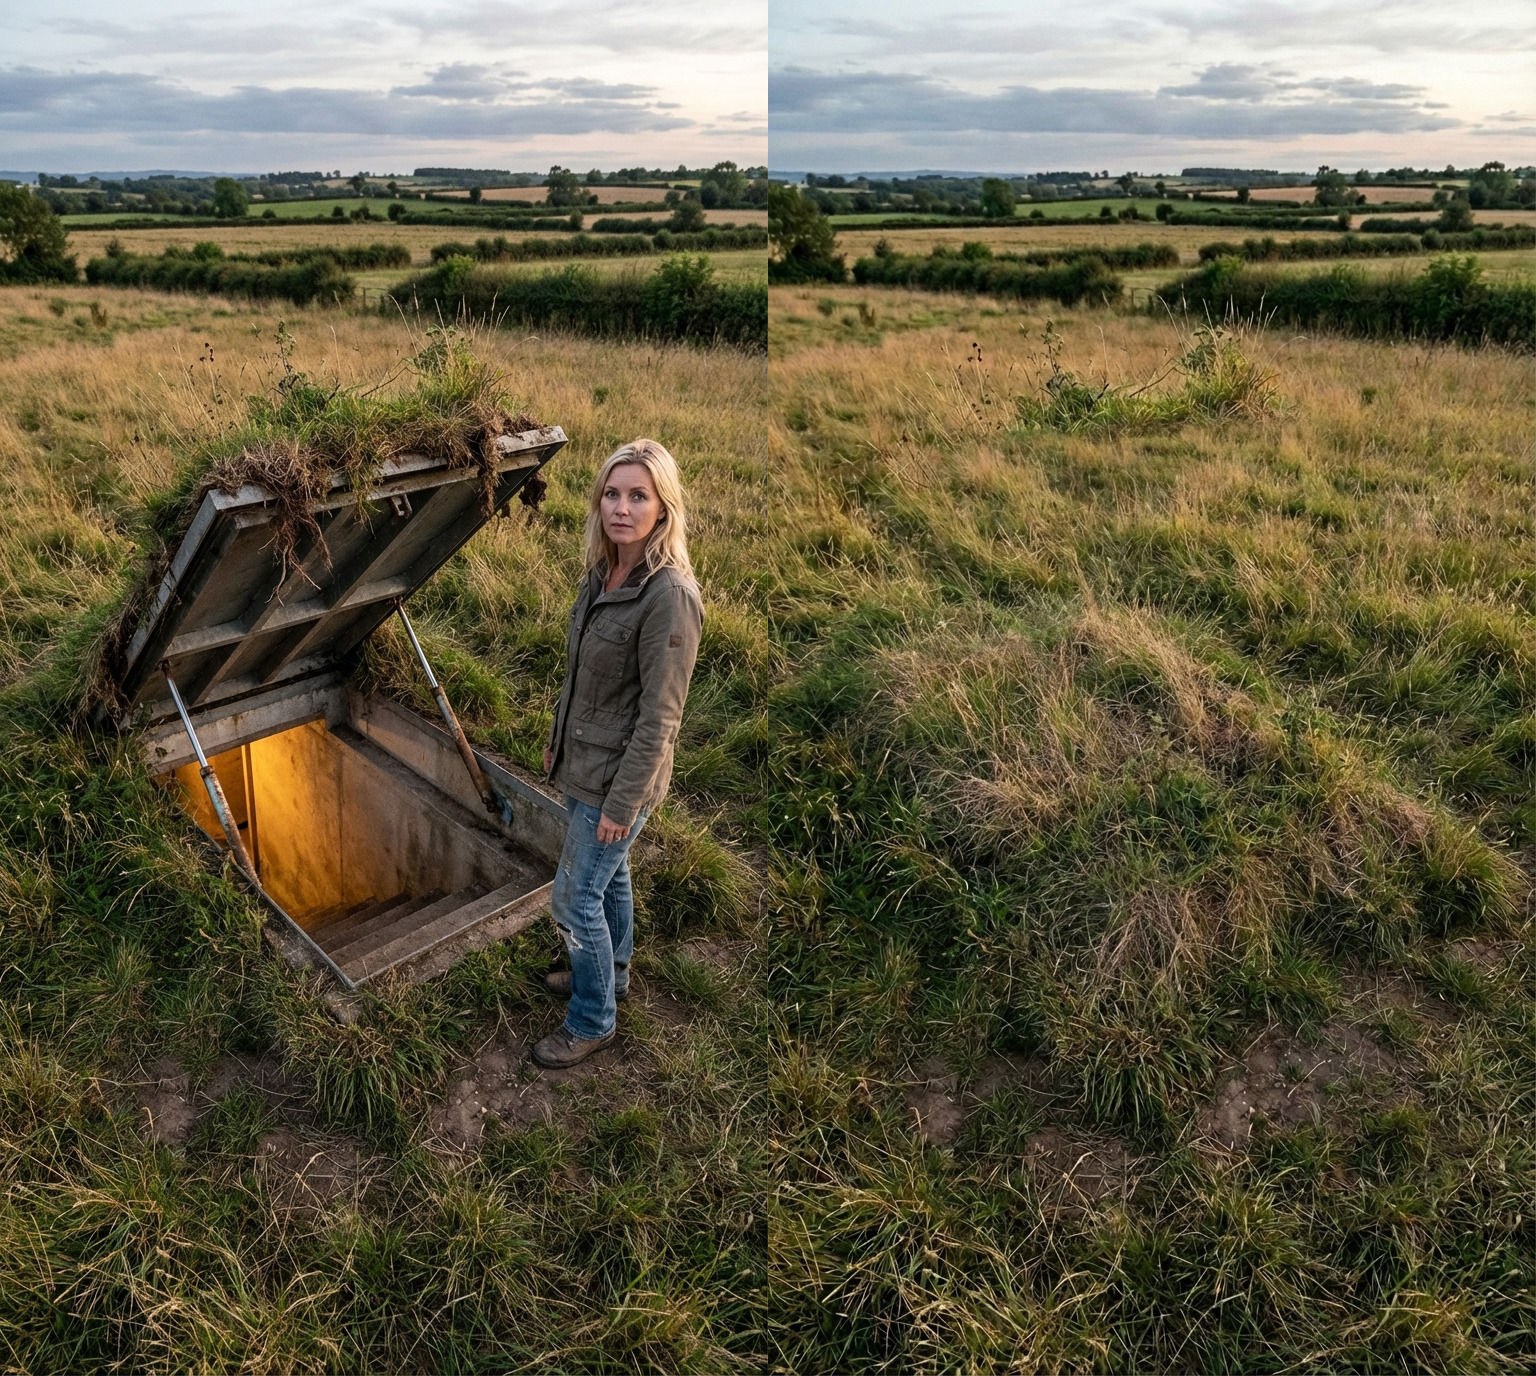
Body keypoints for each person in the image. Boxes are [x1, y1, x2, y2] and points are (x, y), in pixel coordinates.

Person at [533, 439, 703, 1068]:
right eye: (612, 493)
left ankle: (592, 1018)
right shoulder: (603, 574)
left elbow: (661, 717)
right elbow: (582, 674)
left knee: (574, 899)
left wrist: (622, 804)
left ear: (664, 508)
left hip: (620, 779)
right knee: (611, 879)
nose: (622, 508)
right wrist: (557, 734)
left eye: (639, 496)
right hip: (587, 758)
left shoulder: (669, 596)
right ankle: (614, 976)